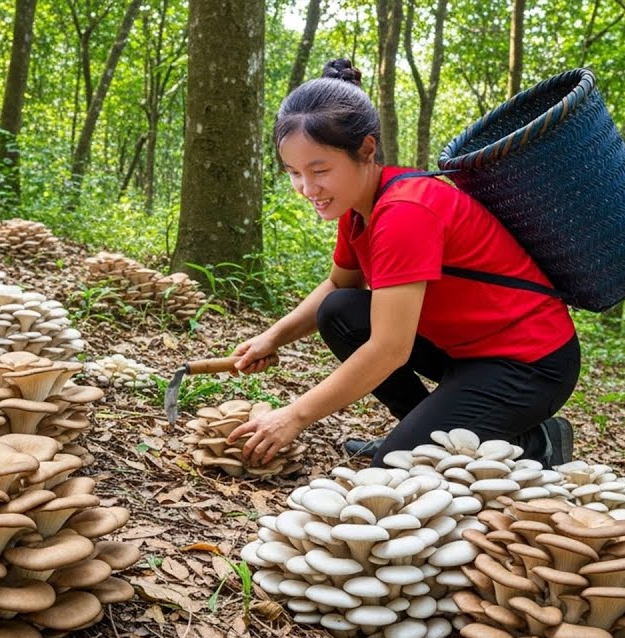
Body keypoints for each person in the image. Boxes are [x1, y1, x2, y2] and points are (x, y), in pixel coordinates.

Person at [226, 58, 580, 469]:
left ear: (367, 149)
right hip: (465, 352)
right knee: (339, 312)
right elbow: (340, 288)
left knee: (396, 471)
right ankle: (422, 429)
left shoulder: (405, 211)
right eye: (294, 173)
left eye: (320, 170)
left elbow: (389, 350)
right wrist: (273, 337)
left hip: (527, 364)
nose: (307, 188)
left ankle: (536, 442)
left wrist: (294, 416)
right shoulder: (357, 207)